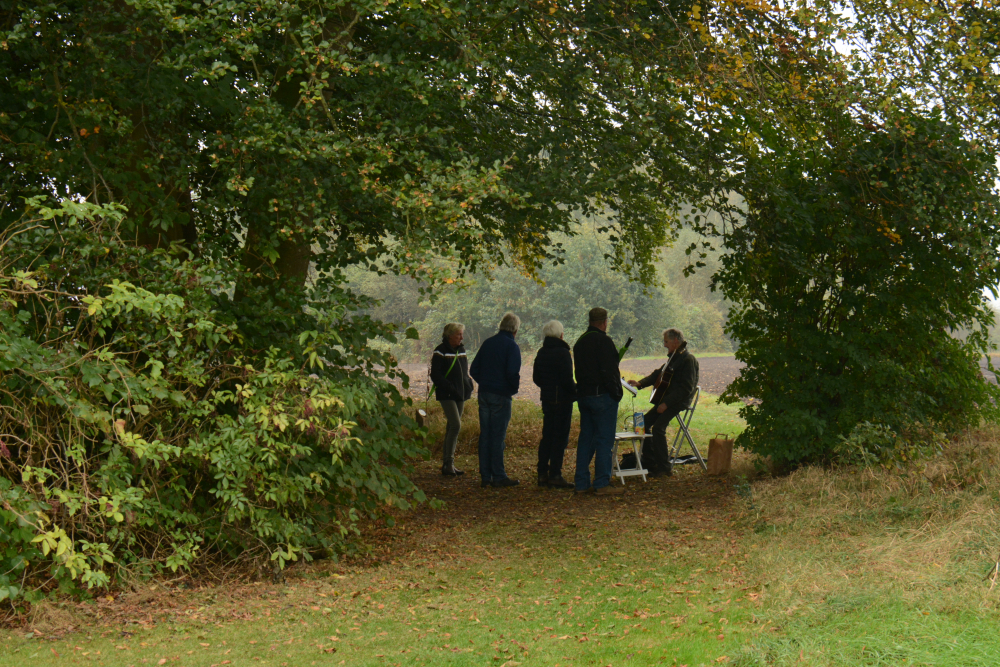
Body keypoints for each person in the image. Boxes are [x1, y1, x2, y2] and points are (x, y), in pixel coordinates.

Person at [629, 328, 700, 477]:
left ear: (675, 341)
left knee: (658, 428)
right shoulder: (674, 358)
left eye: (666, 342)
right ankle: (650, 462)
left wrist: (666, 404)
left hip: (678, 402)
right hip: (667, 400)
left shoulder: (688, 360)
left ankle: (664, 468)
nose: (664, 345)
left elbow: (686, 389)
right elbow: (657, 374)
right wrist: (639, 384)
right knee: (641, 424)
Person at [572, 307, 624, 496]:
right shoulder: (604, 341)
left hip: (584, 396)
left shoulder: (580, 342)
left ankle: (581, 483)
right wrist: (616, 392)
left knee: (586, 439)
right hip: (602, 396)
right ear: (604, 322)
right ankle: (602, 482)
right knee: (604, 439)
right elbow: (610, 371)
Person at [469, 312, 522, 488]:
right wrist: (511, 389)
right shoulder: (511, 346)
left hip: (484, 394)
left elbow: (474, 369)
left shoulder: (488, 343)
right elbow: (512, 372)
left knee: (486, 435)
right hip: (501, 395)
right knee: (498, 436)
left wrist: (484, 383)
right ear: (515, 329)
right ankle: (498, 475)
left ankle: (485, 476)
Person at [531, 320, 576, 489]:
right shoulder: (563, 353)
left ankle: (542, 473)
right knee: (560, 438)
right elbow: (567, 379)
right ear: (561, 334)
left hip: (547, 400)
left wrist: (548, 387)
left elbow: (536, 378)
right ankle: (555, 474)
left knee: (547, 436)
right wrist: (575, 392)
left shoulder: (541, 352)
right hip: (562, 401)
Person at [430, 322, 474, 476]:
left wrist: (468, 384)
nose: (461, 338)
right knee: (456, 425)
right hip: (447, 394)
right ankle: (449, 462)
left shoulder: (461, 350)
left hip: (460, 394)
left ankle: (448, 465)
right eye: (458, 335)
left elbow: (464, 370)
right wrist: (450, 388)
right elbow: (436, 375)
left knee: (451, 427)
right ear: (450, 336)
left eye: (462, 334)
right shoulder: (440, 351)